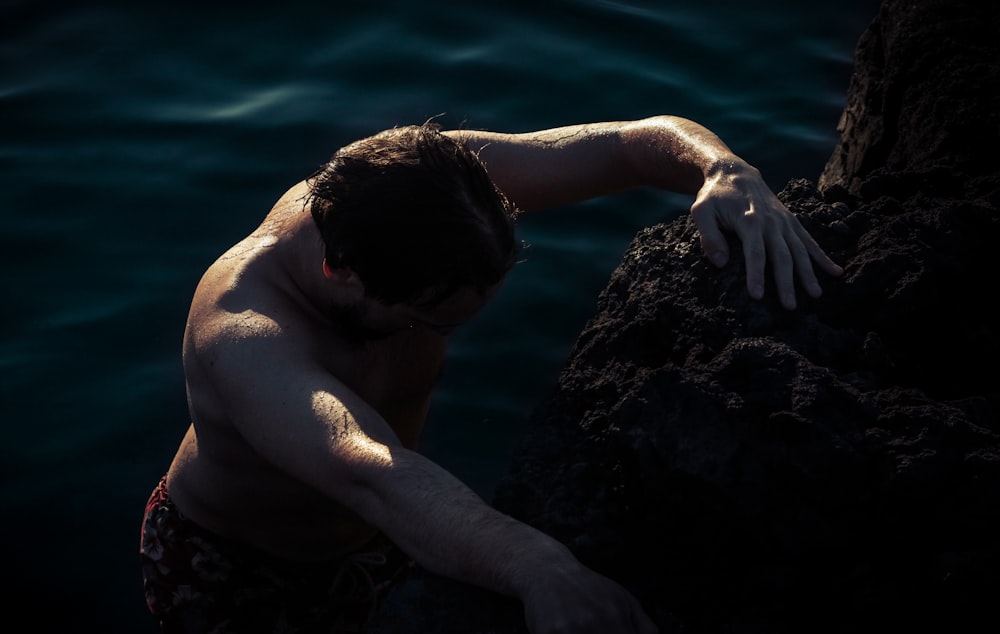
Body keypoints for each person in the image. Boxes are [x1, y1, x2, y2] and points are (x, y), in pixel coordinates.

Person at [139, 115, 843, 634]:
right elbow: (370, 469)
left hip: (381, 533)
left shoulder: (429, 182)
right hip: (236, 568)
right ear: (337, 271)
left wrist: (722, 169)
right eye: (429, 320)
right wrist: (544, 566)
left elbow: (633, 141)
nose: (439, 339)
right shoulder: (244, 336)